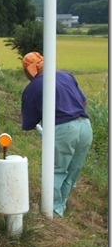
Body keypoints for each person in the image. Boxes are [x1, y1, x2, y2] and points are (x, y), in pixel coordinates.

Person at [21, 51, 93, 217]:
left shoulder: (33, 87)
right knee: (73, 169)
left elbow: (29, 123)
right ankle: (61, 205)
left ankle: (51, 211)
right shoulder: (66, 76)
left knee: (56, 170)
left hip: (64, 129)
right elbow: (84, 101)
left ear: (29, 70)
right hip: (85, 126)